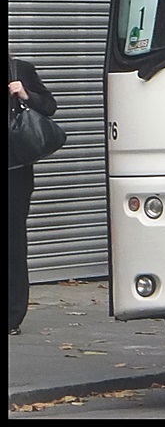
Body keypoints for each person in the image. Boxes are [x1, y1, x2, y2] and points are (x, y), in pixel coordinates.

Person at [9, 54, 58, 335]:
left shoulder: (20, 69)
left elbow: (50, 106)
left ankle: (12, 315)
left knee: (13, 243)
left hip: (13, 171)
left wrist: (25, 94)